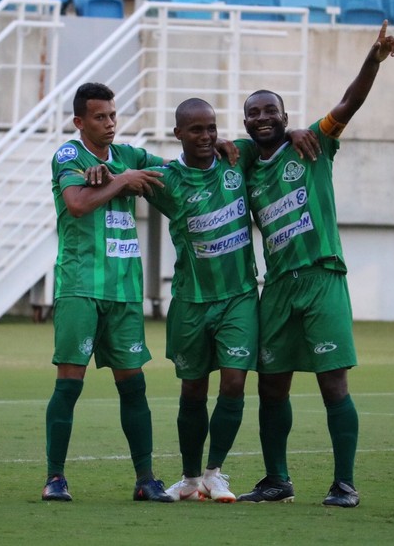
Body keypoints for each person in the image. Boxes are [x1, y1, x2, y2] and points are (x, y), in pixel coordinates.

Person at [235, 21, 394, 506]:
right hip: (278, 287)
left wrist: (372, 60)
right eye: (253, 113)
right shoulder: (244, 167)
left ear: (286, 116)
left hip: (323, 278)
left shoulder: (314, 145)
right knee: (271, 387)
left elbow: (350, 103)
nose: (262, 117)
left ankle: (345, 483)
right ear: (244, 122)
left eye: (271, 110)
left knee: (333, 383)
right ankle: (277, 480)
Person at [43, 82, 173, 503]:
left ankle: (146, 478)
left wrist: (222, 147)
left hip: (124, 290)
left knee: (133, 386)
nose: (110, 123)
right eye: (100, 117)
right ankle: (56, 478)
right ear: (80, 122)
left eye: (113, 115)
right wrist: (123, 182)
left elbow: (170, 172)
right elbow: (77, 204)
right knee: (69, 384)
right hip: (80, 286)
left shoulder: (129, 156)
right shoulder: (69, 155)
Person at [143, 98, 260, 503]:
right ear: (178, 134)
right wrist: (102, 171)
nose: (207, 136)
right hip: (190, 301)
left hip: (239, 296)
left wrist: (295, 131)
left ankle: (215, 473)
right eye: (196, 129)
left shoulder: (236, 159)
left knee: (234, 382)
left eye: (212, 128)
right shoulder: (166, 179)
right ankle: (191, 479)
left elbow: (274, 141)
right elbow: (123, 169)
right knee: (192, 391)